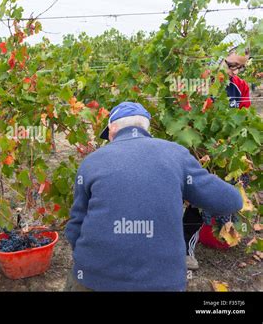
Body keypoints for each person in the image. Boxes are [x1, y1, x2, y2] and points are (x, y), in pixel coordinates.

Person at [64, 102, 242, 291]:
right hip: (163, 283)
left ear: (112, 129)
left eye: (107, 134)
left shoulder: (91, 162)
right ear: (146, 129)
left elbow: (75, 226)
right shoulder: (176, 154)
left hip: (94, 279)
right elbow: (231, 201)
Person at [183, 33, 251, 270]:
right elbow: (190, 114)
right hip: (199, 148)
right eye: (232, 65)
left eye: (241, 67)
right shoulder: (202, 82)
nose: (236, 72)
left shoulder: (240, 86)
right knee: (193, 200)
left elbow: (244, 118)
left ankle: (224, 232)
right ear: (220, 58)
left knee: (230, 190)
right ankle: (186, 251)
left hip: (226, 150)